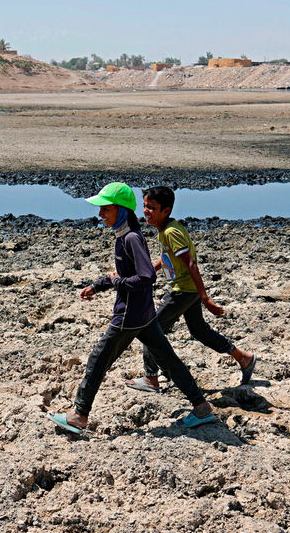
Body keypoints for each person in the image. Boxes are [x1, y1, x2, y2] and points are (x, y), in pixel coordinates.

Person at [48, 182, 217, 434]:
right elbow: (123, 273)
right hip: (144, 314)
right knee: (167, 359)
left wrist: (117, 282)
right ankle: (201, 408)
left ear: (122, 210)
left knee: (98, 359)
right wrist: (98, 285)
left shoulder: (131, 238)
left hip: (129, 315)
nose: (100, 214)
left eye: (105, 208)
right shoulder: (125, 236)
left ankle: (79, 415)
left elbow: (147, 276)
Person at [126, 185, 256, 393]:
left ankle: (151, 379)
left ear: (166, 210)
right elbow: (167, 257)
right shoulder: (166, 229)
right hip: (188, 289)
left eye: (151, 207)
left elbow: (191, 263)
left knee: (149, 329)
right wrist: (149, 273)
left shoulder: (171, 232)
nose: (146, 211)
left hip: (184, 290)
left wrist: (205, 298)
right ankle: (243, 358)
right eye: (144, 206)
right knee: (199, 331)